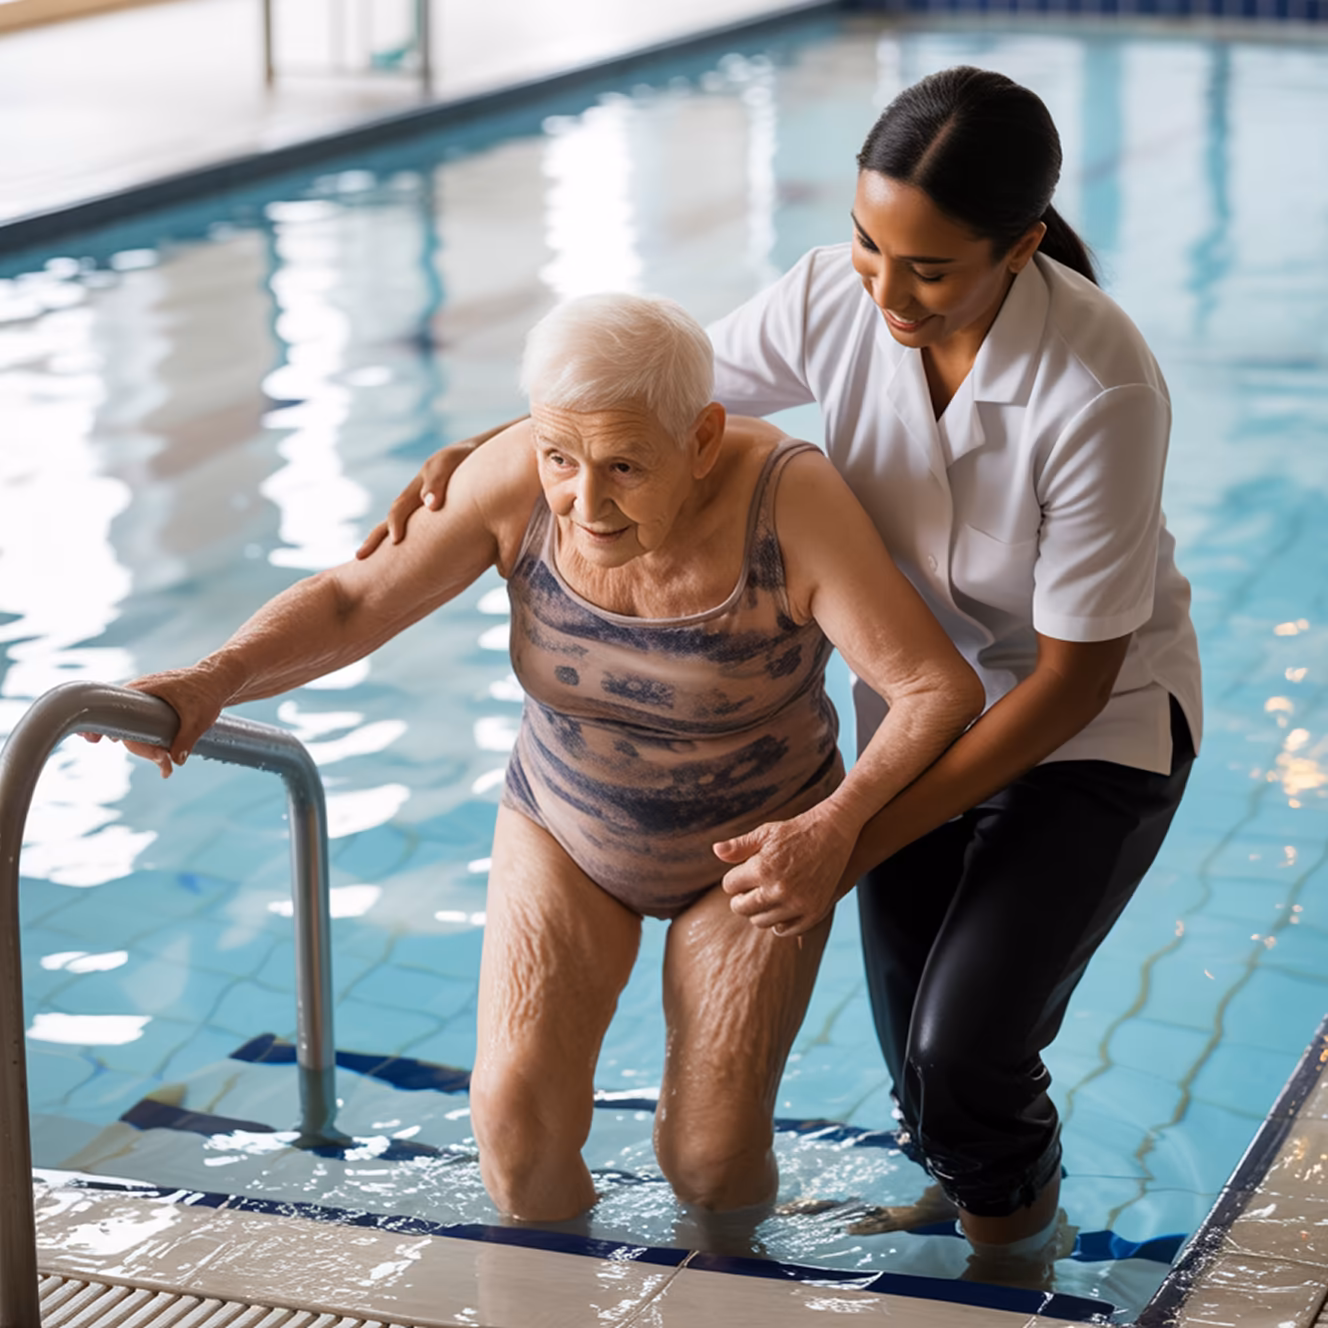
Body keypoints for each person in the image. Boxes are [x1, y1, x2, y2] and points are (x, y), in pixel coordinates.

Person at [361, 66, 1202, 1276]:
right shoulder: (831, 296)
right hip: (919, 712)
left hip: (1082, 734)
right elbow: (659, 401)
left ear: (1018, 248)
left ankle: (1015, 1256)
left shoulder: (1097, 383)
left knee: (964, 1045)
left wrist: (846, 832)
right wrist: (510, 447)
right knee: (910, 1053)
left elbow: (1070, 678)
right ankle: (968, 1189)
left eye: (928, 267)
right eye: (869, 245)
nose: (888, 291)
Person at [105, 292, 983, 1230]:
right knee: (515, 1123)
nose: (585, 501)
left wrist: (831, 828)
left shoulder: (789, 502)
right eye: (560, 458)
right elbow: (357, 604)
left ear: (701, 440)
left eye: (624, 467)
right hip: (567, 825)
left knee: (710, 1158)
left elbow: (935, 688)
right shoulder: (515, 480)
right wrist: (212, 679)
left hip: (753, 854)